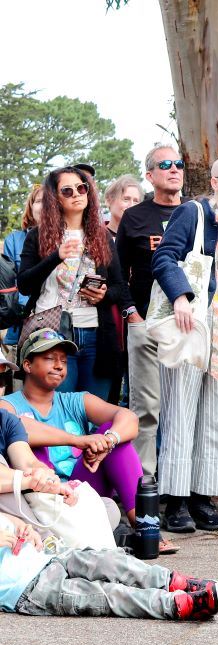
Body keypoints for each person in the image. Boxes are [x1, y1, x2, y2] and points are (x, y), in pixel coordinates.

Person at [0, 328, 177, 553]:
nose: (58, 366)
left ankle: (146, 530)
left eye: (63, 361)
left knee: (114, 439)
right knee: (38, 447)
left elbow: (129, 418)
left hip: (80, 489)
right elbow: (16, 427)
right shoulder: (8, 404)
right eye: (49, 359)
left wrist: (108, 440)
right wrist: (78, 440)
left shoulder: (75, 401)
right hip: (41, 493)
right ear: (27, 365)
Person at [151, 156, 218, 534]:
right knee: (180, 413)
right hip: (192, 322)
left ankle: (202, 498)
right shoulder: (193, 212)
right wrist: (180, 296)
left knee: (217, 415)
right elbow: (164, 257)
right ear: (215, 182)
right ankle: (174, 502)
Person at [17, 167, 132, 401]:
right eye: (67, 191)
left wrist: (103, 295)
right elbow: (24, 285)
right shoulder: (38, 236)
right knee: (59, 410)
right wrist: (55, 257)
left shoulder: (102, 237)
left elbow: (120, 287)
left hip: (96, 334)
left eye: (81, 188)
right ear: (54, 198)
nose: (77, 194)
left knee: (93, 412)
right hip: (52, 333)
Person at [0, 511, 218, 620]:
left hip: (49, 558)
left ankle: (175, 582)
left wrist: (25, 530)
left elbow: (15, 523)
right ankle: (176, 605)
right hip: (29, 589)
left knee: (110, 561)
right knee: (106, 595)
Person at [117, 144, 186, 476]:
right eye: (165, 164)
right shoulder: (135, 217)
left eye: (179, 163)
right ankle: (143, 483)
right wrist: (132, 314)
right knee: (145, 409)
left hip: (187, 326)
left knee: (181, 409)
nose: (174, 169)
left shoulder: (196, 212)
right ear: (150, 175)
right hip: (145, 322)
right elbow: (117, 272)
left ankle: (178, 482)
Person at [2, 186, 43, 355]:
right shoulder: (14, 239)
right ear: (31, 207)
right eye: (39, 201)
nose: (44, 206)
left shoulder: (69, 240)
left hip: (57, 323)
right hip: (19, 326)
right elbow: (9, 286)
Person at [104, 175, 143, 242]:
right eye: (126, 199)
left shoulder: (144, 237)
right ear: (108, 201)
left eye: (136, 201)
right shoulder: (95, 236)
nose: (131, 205)